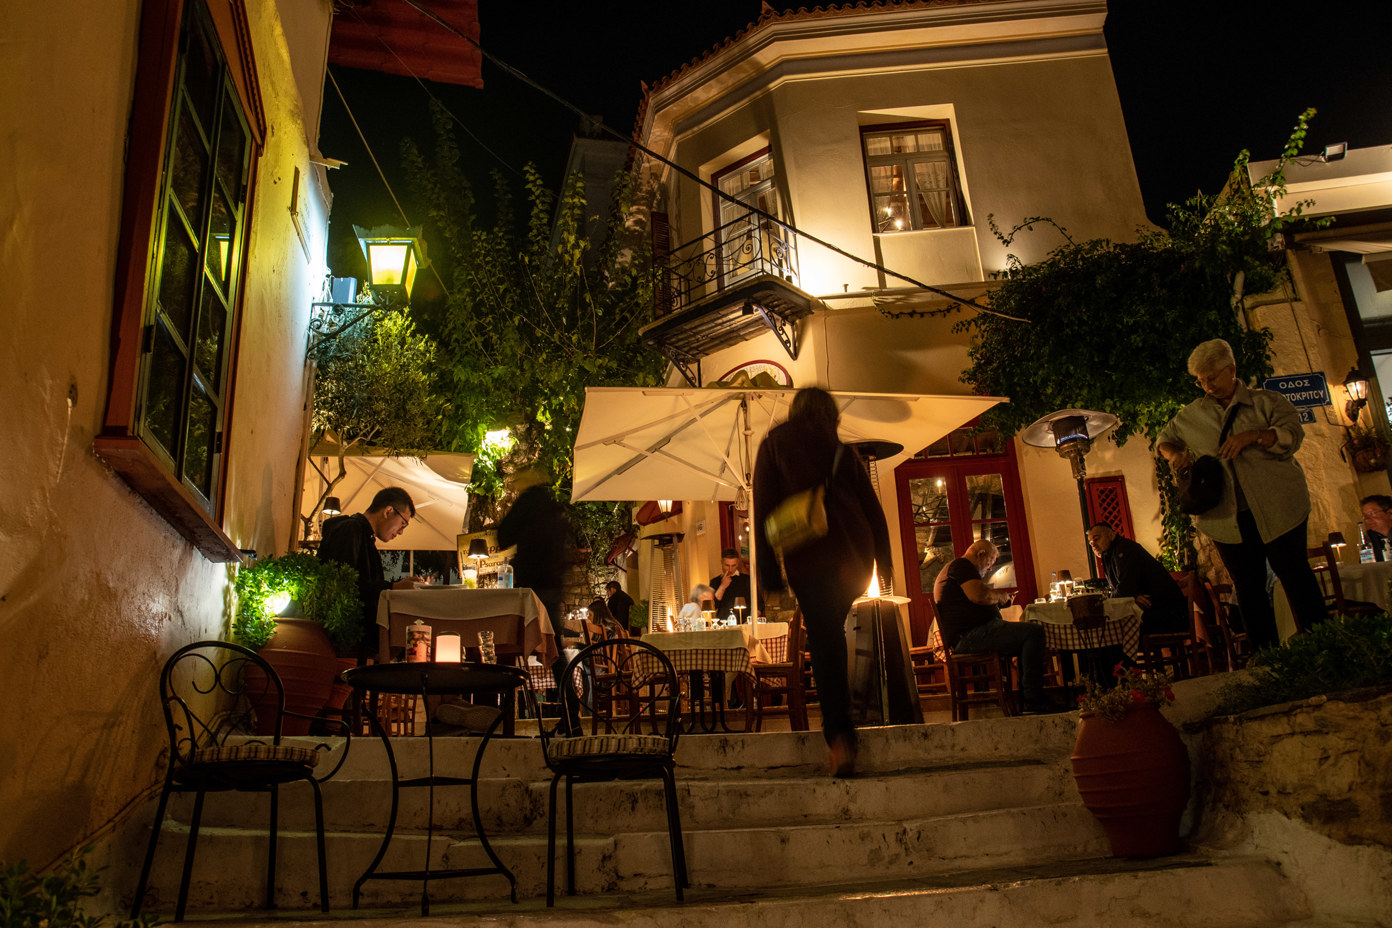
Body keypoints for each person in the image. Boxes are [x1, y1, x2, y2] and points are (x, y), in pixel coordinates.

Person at [754, 387, 894, 778]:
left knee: (825, 639)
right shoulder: (841, 451)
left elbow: (764, 512)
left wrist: (769, 574)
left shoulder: (774, 446)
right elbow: (873, 509)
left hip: (812, 561)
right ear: (830, 415)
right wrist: (884, 563)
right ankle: (842, 731)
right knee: (829, 632)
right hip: (854, 559)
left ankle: (839, 738)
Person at [1157, 338, 1327, 648]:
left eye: (1212, 377)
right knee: (1248, 586)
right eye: (1200, 380)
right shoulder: (1191, 415)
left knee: (1296, 577)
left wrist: (1257, 436)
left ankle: (1324, 648)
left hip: (1279, 508)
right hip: (1225, 516)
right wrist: (1174, 456)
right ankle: (1267, 658)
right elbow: (1165, 440)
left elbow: (1293, 436)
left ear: (1231, 370)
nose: (1206, 386)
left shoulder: (1268, 402)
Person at [933, 539, 1068, 715]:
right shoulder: (962, 565)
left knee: (1026, 635)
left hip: (973, 634)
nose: (990, 568)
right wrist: (1001, 596)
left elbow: (975, 600)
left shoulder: (958, 569)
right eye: (990, 562)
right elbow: (979, 595)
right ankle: (1033, 699)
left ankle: (1027, 698)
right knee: (1033, 633)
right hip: (970, 636)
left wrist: (999, 602)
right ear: (981, 554)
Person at [497, 466, 581, 735]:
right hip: (552, 586)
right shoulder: (556, 507)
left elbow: (503, 536)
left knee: (509, 648)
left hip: (530, 586)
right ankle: (572, 716)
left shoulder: (527, 502)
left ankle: (502, 718)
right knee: (555, 652)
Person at [317, 486, 422, 661]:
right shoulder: (350, 530)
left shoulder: (364, 536)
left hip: (354, 637)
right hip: (343, 638)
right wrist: (393, 587)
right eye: (403, 523)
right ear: (388, 511)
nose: (401, 531)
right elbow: (343, 584)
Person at [1085, 523, 1190, 636]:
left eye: (1096, 539)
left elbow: (1125, 590)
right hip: (1154, 609)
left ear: (1111, 534)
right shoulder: (1110, 554)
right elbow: (1123, 591)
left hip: (1168, 613)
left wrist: (1128, 597)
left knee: (1112, 631)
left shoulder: (1124, 549)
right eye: (1091, 543)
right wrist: (1132, 598)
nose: (1094, 545)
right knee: (1110, 628)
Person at [709, 548, 752, 620]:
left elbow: (759, 605)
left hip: (744, 622)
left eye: (733, 565)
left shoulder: (746, 580)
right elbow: (713, 606)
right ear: (722, 563)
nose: (730, 569)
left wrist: (750, 621)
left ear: (737, 563)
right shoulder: (715, 582)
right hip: (722, 624)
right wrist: (722, 586)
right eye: (727, 565)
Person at [1360, 494, 1392, 561]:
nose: (1367, 519)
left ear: (1390, 513)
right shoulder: (1370, 537)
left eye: (1371, 513)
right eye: (1365, 516)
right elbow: (1365, 564)